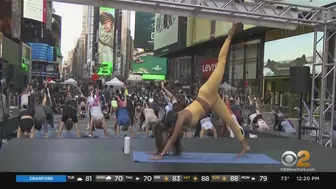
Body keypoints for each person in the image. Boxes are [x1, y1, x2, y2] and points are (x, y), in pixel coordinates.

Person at [150, 23, 250, 160]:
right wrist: (159, 150)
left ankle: (230, 35)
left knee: (221, 63)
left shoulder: (180, 118)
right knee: (230, 121)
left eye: (169, 130)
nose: (170, 133)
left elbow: (172, 138)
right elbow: (169, 136)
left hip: (207, 92)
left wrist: (161, 155)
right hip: (212, 101)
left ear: (172, 124)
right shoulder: (175, 120)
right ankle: (245, 144)